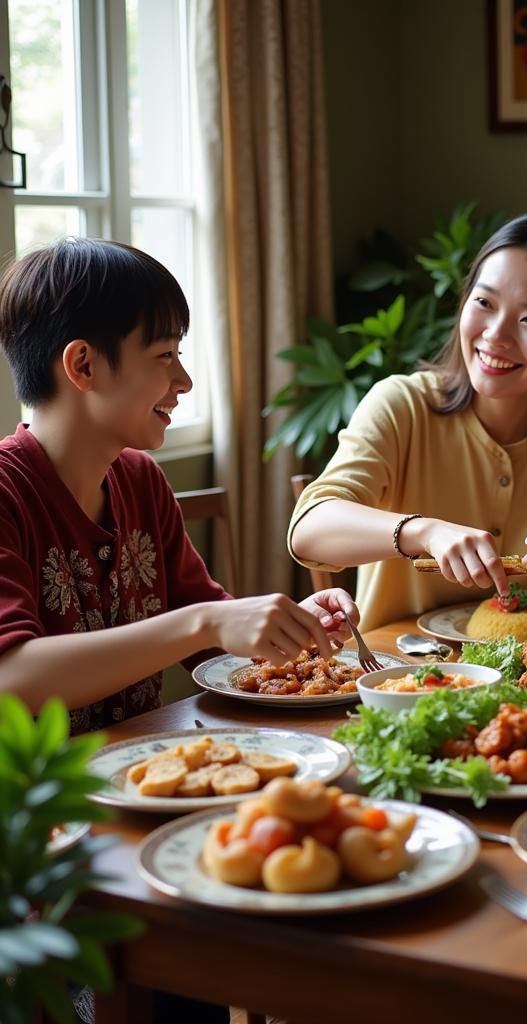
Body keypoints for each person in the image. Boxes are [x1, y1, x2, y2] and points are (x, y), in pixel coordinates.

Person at [0, 238, 359, 735]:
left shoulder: (140, 480)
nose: (184, 380)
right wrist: (206, 622)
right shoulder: (7, 494)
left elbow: (207, 637)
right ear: (83, 365)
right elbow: (11, 676)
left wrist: (289, 626)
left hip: (139, 776)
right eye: (164, 355)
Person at [289, 209, 527, 631]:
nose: (496, 334)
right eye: (484, 302)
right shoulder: (401, 405)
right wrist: (423, 533)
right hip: (400, 681)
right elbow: (309, 530)